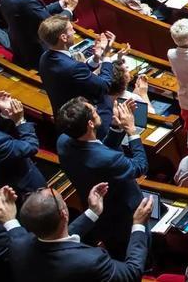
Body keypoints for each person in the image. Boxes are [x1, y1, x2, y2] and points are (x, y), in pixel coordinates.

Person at [55, 97, 147, 259]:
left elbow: (100, 151)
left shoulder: (63, 142)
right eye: (94, 110)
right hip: (124, 217)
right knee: (135, 254)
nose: (97, 110)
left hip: (100, 214)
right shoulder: (108, 159)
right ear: (90, 124)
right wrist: (132, 131)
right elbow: (140, 167)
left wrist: (116, 127)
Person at [3, 183, 151, 282]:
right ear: (64, 214)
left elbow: (58, 239)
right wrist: (138, 225)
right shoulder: (91, 260)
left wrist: (93, 212)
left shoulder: (18, 244)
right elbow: (132, 273)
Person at [0, 0, 78, 69]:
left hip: (20, 45)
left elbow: (38, 11)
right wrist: (70, 8)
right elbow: (53, 26)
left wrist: (63, 2)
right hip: (36, 50)